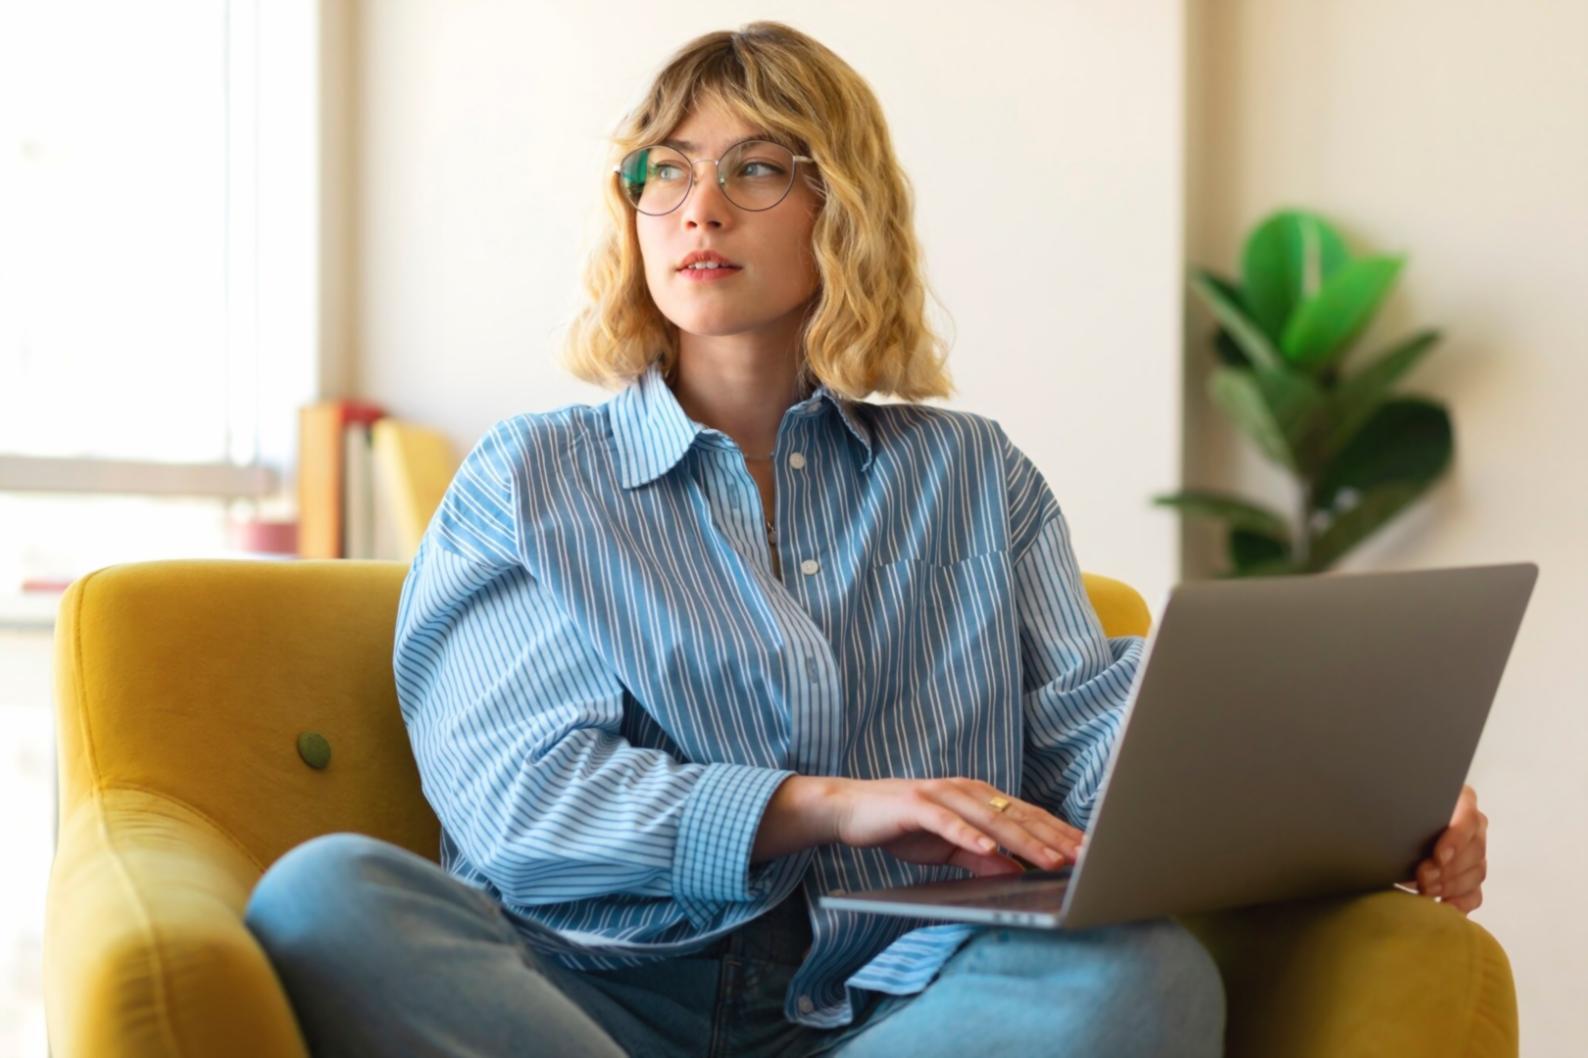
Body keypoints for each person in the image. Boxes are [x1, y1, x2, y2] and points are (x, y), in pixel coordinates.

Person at [244, 20, 1489, 1057]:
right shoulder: (529, 477)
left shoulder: (975, 476)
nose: (697, 208)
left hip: (892, 1001)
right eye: (662, 171)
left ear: (839, 206)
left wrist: (1362, 800)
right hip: (593, 997)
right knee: (325, 895)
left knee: (1143, 974)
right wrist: (823, 805)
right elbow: (524, 798)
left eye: (755, 169)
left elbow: (1084, 736)